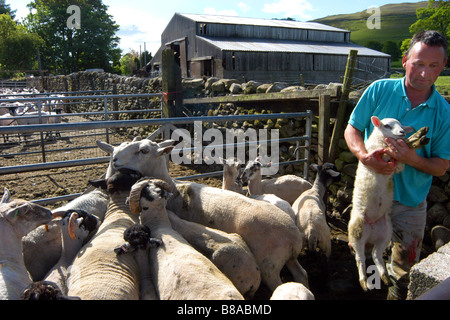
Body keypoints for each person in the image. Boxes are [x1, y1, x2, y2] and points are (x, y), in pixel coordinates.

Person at [344, 30, 449, 300]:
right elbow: (352, 129)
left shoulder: (444, 113)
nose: (425, 74)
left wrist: (410, 158)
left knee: (403, 267)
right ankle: (370, 292)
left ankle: (393, 295)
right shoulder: (379, 90)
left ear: (443, 67)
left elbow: (441, 166)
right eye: (418, 64)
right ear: (404, 60)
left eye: (434, 66)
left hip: (409, 203)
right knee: (366, 252)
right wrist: (364, 156)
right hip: (369, 196)